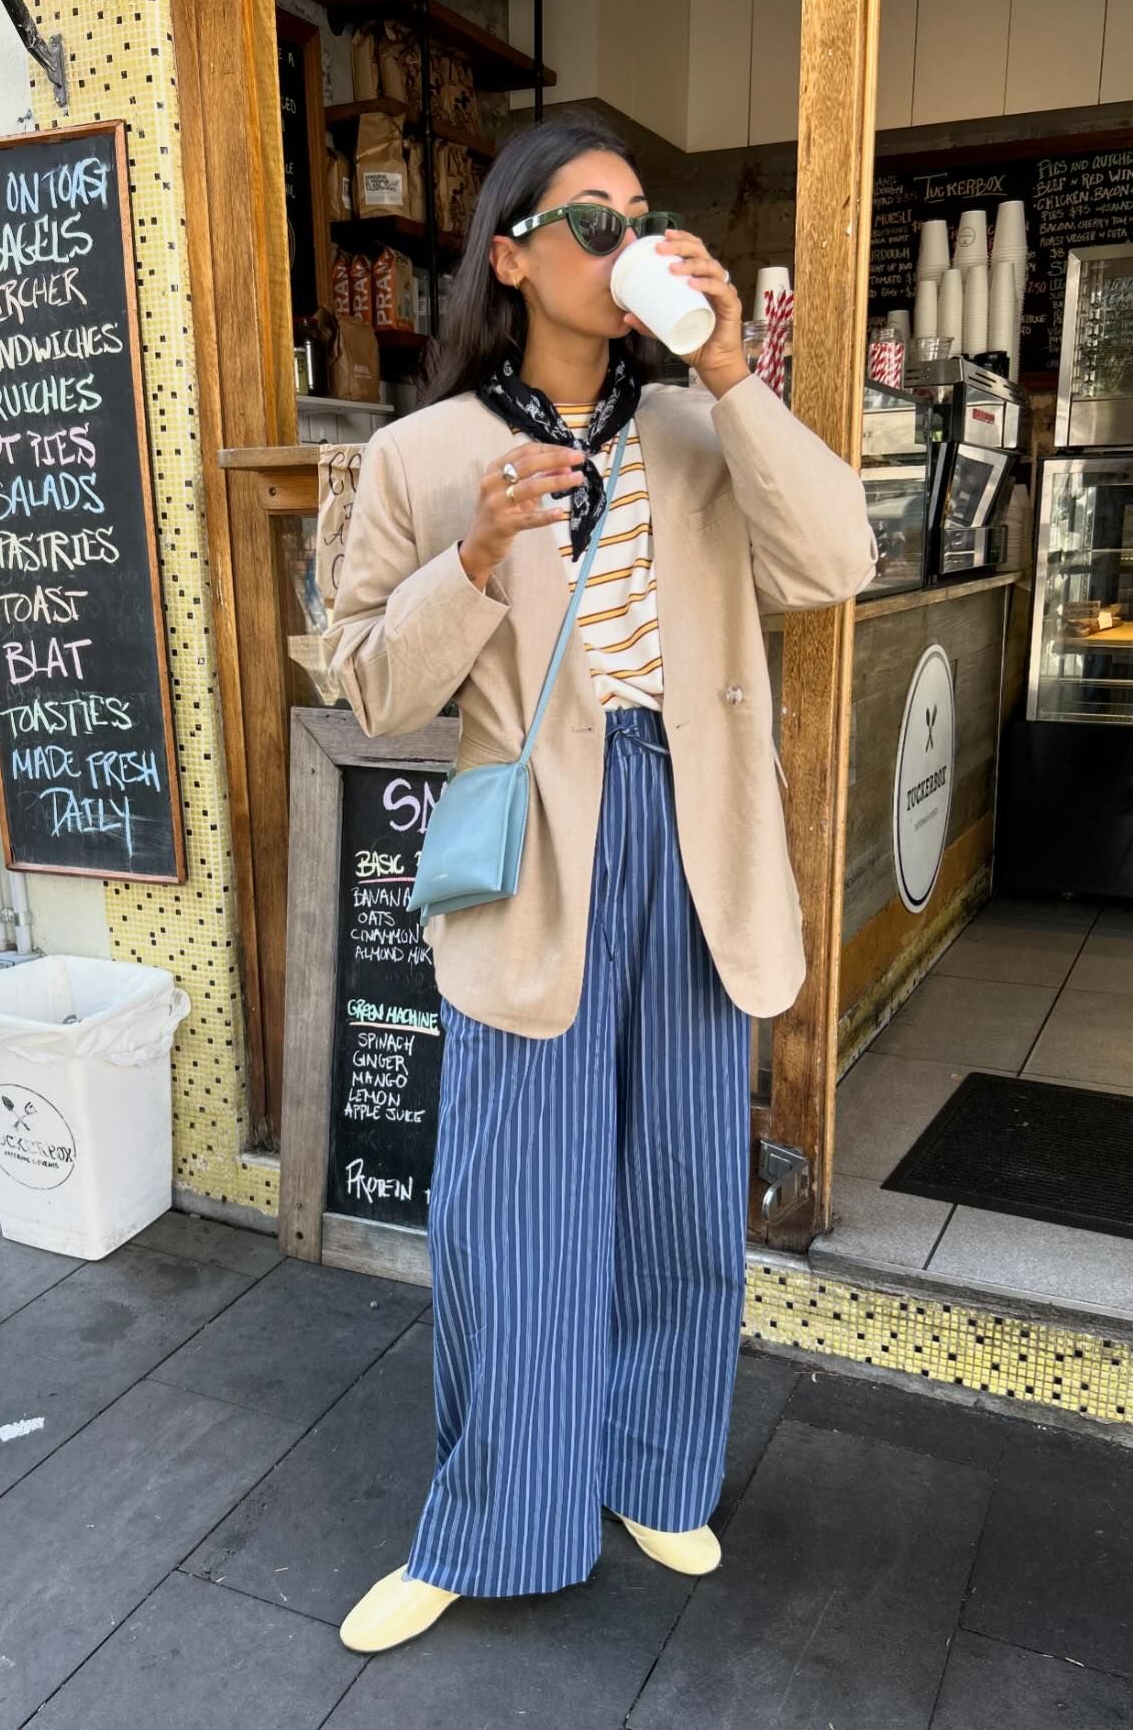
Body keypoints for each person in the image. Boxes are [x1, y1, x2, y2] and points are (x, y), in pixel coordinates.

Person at [324, 117, 877, 1653]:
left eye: (643, 214)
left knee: (684, 1179)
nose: (625, 238)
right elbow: (368, 689)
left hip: (697, 836)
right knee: (512, 1207)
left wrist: (729, 371)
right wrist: (477, 561)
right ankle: (497, 1513)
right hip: (541, 856)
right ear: (512, 256)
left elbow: (837, 563)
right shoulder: (422, 457)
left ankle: (654, 1463)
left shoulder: (706, 429)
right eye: (589, 217)